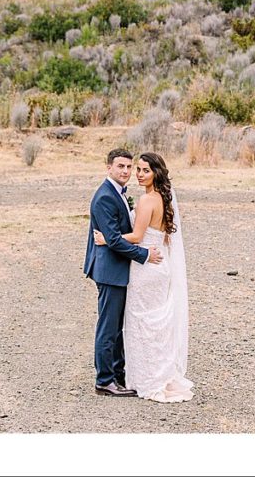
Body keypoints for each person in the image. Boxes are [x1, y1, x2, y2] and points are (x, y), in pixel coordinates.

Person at [93, 152, 193, 403]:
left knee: (143, 323)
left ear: (156, 173)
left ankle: (142, 378)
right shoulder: (162, 199)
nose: (136, 173)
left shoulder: (148, 200)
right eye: (135, 169)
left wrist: (108, 239)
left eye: (143, 170)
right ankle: (148, 374)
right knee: (154, 322)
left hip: (147, 266)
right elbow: (164, 235)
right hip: (157, 265)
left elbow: (136, 236)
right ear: (110, 167)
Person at [84, 148, 163, 397]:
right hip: (109, 271)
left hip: (117, 269)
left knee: (117, 326)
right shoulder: (105, 197)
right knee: (108, 328)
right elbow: (114, 240)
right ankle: (104, 380)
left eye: (129, 167)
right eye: (121, 166)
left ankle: (118, 375)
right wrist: (145, 255)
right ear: (109, 167)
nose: (126, 172)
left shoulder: (118, 193)